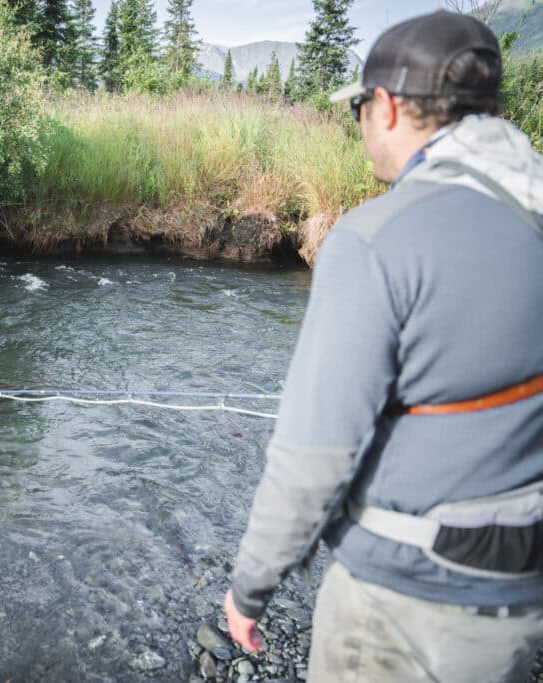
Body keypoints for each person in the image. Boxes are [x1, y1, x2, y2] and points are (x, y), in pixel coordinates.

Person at [222, 10, 543, 682]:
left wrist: (251, 585)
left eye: (359, 108)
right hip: (517, 602)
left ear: (389, 107)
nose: (361, 124)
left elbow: (314, 458)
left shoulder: (376, 237)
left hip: (399, 608)